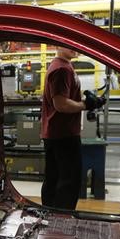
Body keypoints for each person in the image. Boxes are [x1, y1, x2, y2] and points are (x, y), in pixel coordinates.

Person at [40, 46, 105, 209]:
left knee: (55, 179)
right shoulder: (61, 69)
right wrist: (85, 104)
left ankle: (51, 217)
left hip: (58, 133)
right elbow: (61, 104)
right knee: (68, 182)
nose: (74, 48)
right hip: (63, 134)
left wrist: (86, 98)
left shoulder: (64, 66)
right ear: (57, 45)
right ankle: (61, 220)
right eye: (68, 44)